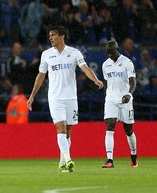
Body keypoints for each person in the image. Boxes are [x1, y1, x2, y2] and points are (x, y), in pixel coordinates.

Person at [27, 25, 103, 173]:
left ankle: (62, 162)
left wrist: (95, 79)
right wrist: (32, 96)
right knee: (60, 127)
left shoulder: (74, 53)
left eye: (53, 35)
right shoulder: (46, 54)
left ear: (62, 36)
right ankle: (69, 160)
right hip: (55, 97)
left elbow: (85, 67)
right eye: (49, 36)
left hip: (71, 97)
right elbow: (41, 75)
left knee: (68, 130)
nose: (50, 38)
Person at [101, 40, 138, 168]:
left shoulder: (127, 62)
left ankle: (134, 156)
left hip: (125, 99)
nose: (109, 55)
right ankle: (109, 160)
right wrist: (107, 96)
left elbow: (133, 81)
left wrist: (129, 94)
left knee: (128, 130)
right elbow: (107, 83)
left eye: (111, 52)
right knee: (109, 126)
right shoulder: (105, 65)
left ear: (117, 50)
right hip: (111, 99)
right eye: (107, 53)